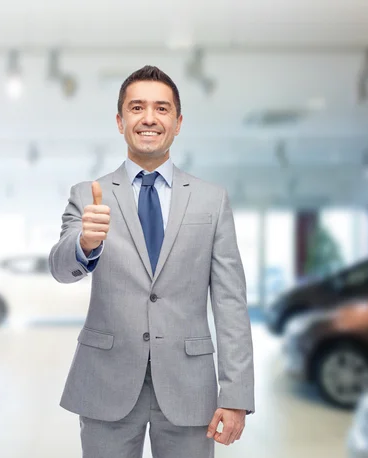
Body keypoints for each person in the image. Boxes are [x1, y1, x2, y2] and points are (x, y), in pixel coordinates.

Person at [48, 65, 254, 458]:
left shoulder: (212, 200)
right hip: (106, 381)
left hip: (189, 385)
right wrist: (84, 244)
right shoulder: (88, 195)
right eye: (136, 107)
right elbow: (60, 268)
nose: (148, 118)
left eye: (161, 109)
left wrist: (237, 393)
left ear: (177, 123)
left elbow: (230, 302)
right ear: (120, 120)